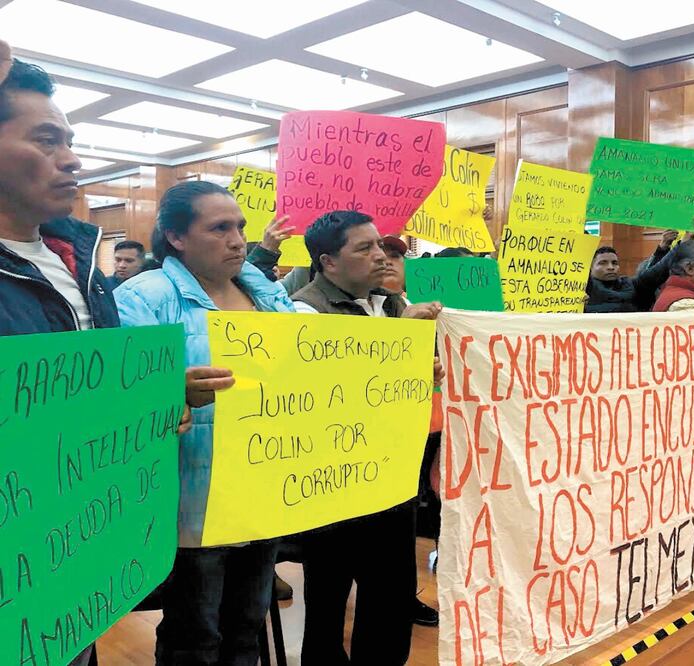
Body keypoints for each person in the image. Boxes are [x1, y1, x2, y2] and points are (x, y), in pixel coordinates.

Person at [0, 48, 190, 666]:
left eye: (71, 140)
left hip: (72, 550)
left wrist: (154, 399)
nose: (73, 158)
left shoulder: (81, 267)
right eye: (47, 139)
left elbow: (87, 396)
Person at [115, 181, 295, 665]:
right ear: (175, 236)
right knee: (195, 635)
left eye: (239, 226)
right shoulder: (142, 298)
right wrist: (173, 391)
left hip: (262, 489)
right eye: (219, 228)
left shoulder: (269, 295)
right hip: (192, 503)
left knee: (247, 625)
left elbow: (324, 359)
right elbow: (124, 396)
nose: (238, 239)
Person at [293, 210, 443, 666]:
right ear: (328, 261)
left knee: (391, 598)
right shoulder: (303, 309)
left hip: (392, 476)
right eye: (365, 248)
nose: (380, 256)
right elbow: (331, 385)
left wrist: (426, 368)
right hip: (331, 484)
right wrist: (402, 338)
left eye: (380, 246)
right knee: (328, 599)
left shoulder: (393, 303)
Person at [584, 246, 641, 313]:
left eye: (614, 263)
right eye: (603, 263)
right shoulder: (582, 288)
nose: (611, 267)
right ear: (590, 267)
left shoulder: (626, 284)